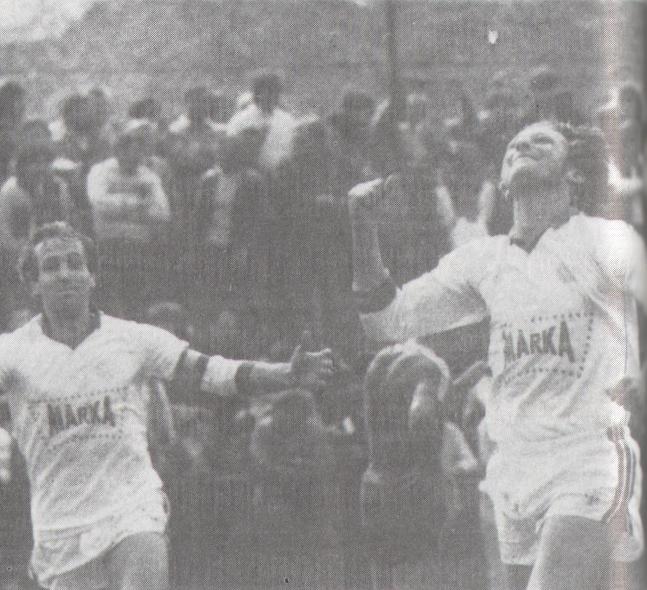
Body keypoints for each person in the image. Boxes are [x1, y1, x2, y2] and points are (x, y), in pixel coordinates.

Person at [348, 120, 645, 590]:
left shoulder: (608, 240)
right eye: (513, 144)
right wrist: (362, 227)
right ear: (504, 182)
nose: (522, 144)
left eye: (541, 140)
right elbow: (387, 320)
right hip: (512, 467)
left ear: (573, 173)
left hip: (589, 455)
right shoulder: (483, 261)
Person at [0, 221, 335, 590]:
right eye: (51, 267)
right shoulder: (12, 352)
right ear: (33, 284)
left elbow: (212, 372)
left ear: (92, 276)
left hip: (132, 509)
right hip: (60, 529)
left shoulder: (133, 339)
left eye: (75, 264)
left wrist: (285, 373)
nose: (65, 274)